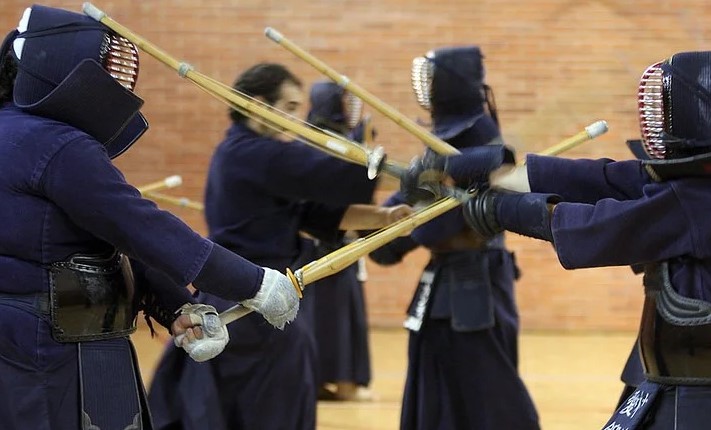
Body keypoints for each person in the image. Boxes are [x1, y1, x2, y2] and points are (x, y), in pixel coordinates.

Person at [434, 50, 711, 429]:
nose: (657, 119)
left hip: (702, 402)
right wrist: (496, 170)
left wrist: (501, 211)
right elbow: (603, 179)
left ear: (705, 116)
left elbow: (600, 225)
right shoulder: (708, 185)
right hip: (672, 384)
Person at [0, 5, 300, 430]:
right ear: (63, 66)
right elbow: (138, 224)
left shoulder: (20, 133)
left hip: (49, 344)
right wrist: (250, 282)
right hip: (49, 350)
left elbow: (105, 235)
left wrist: (177, 305)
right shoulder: (54, 144)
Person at [148, 63, 411, 430]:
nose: (294, 120)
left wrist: (382, 218)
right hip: (250, 302)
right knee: (266, 409)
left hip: (260, 298)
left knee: (265, 404)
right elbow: (327, 175)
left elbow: (312, 213)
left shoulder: (250, 154)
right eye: (288, 108)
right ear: (258, 104)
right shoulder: (252, 153)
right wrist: (413, 174)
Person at [370, 45, 540, 430]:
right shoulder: (443, 138)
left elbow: (501, 159)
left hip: (475, 281)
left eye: (433, 79)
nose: (426, 88)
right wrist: (384, 226)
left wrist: (440, 171)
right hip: (445, 280)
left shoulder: (479, 130)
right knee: (438, 383)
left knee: (488, 393)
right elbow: (422, 196)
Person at [306, 80, 375, 401]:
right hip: (327, 244)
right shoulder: (319, 143)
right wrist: (363, 157)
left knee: (327, 315)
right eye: (344, 101)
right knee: (333, 315)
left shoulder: (315, 140)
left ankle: (325, 382)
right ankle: (344, 384)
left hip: (329, 244)